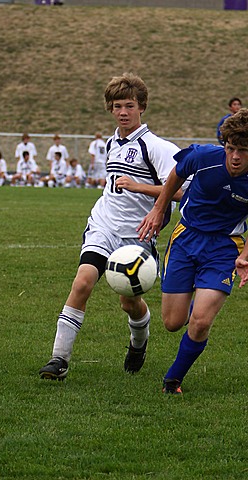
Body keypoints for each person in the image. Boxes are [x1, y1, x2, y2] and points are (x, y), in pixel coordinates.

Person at [39, 72, 182, 381]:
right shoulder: (110, 143)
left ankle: (138, 342)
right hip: (103, 225)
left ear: (141, 107)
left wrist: (139, 187)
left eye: (129, 105)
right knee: (82, 282)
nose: (122, 112)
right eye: (117, 106)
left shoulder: (156, 147)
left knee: (128, 302)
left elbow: (184, 191)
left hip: (137, 236)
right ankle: (58, 360)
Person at [138, 108, 248, 395]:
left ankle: (173, 379)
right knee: (173, 323)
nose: (235, 156)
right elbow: (176, 173)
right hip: (186, 238)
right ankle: (192, 300)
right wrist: (159, 209)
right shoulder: (204, 157)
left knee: (200, 322)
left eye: (244, 151)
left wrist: (245, 254)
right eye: (231, 148)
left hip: (224, 246)